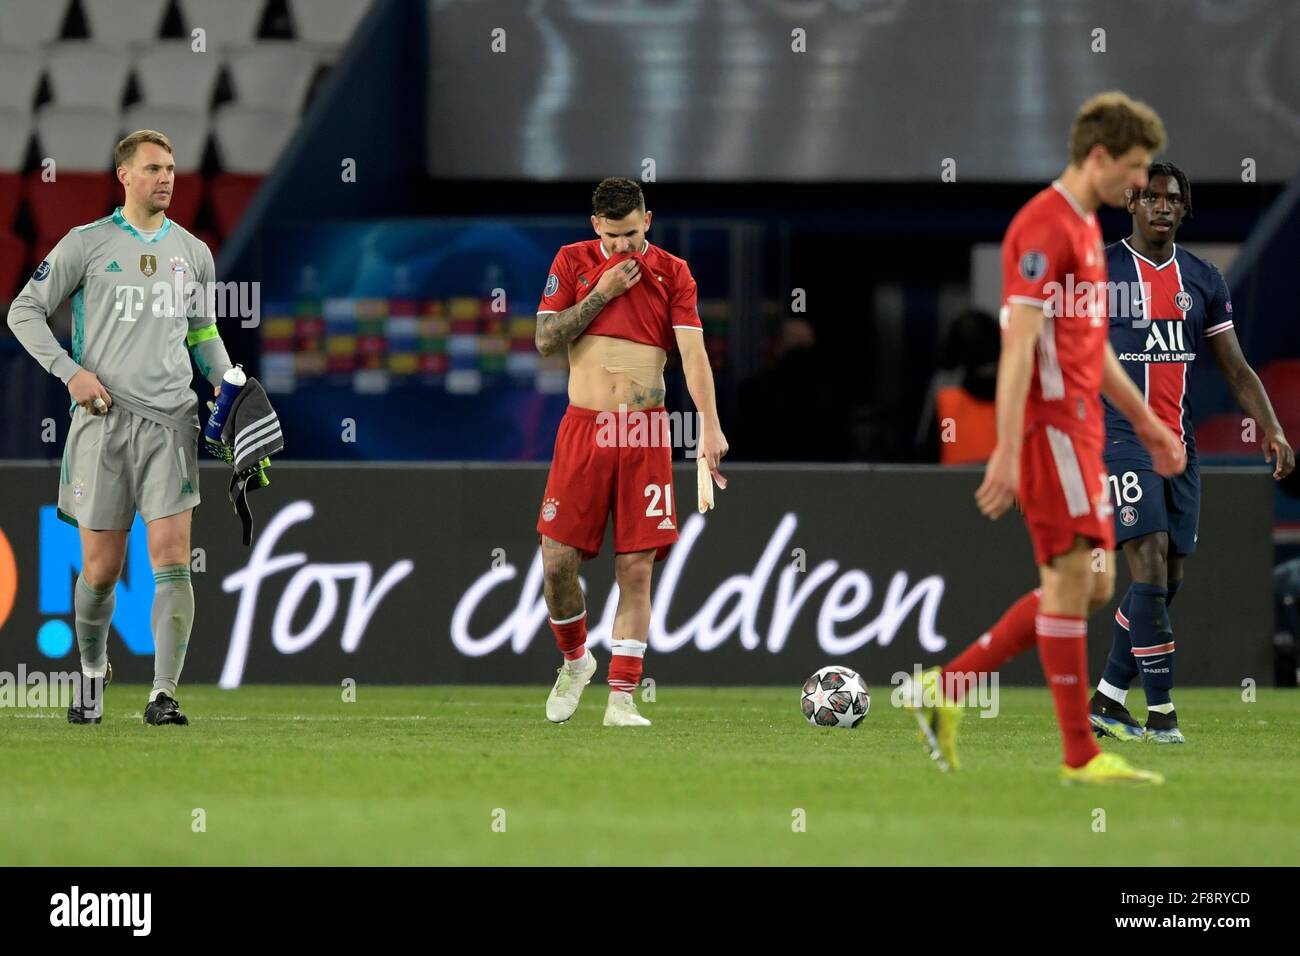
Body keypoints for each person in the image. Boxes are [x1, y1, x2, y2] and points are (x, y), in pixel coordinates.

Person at [904, 92, 1185, 784]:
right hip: (1050, 429)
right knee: (1069, 583)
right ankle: (1079, 757)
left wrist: (1146, 423)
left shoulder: (1088, 229)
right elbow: (1020, 348)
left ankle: (948, 688)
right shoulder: (1042, 228)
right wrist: (1004, 447)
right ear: (1098, 157)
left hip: (1084, 428)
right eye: (1135, 168)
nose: (1141, 185)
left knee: (1091, 587)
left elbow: (1092, 351)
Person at [7, 130, 234, 726]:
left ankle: (163, 694)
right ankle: (90, 671)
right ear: (125, 176)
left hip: (171, 425)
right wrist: (70, 373)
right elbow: (21, 311)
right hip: (102, 423)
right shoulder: (87, 244)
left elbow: (201, 333)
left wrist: (227, 383)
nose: (166, 178)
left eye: (172, 168)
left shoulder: (194, 253)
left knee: (172, 558)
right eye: (154, 168)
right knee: (102, 570)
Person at [1090, 162, 1294, 743]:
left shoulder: (1204, 280)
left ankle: (1106, 698)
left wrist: (1273, 429)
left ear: (1183, 211)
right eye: (1150, 197)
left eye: (1171, 199)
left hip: (1179, 446)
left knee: (1168, 578)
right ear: (1132, 204)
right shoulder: (1098, 274)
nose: (1160, 206)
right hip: (1121, 439)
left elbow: (1235, 368)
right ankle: (1162, 715)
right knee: (1149, 557)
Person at [533, 177, 728, 726]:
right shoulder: (572, 262)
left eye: (635, 233)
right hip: (584, 429)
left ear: (648, 220)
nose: (626, 247)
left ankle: (621, 698)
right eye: (615, 236)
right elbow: (546, 339)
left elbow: (692, 356)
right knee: (556, 563)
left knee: (636, 568)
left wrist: (709, 428)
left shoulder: (674, 272)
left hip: (643, 432)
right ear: (597, 226)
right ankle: (575, 662)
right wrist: (604, 292)